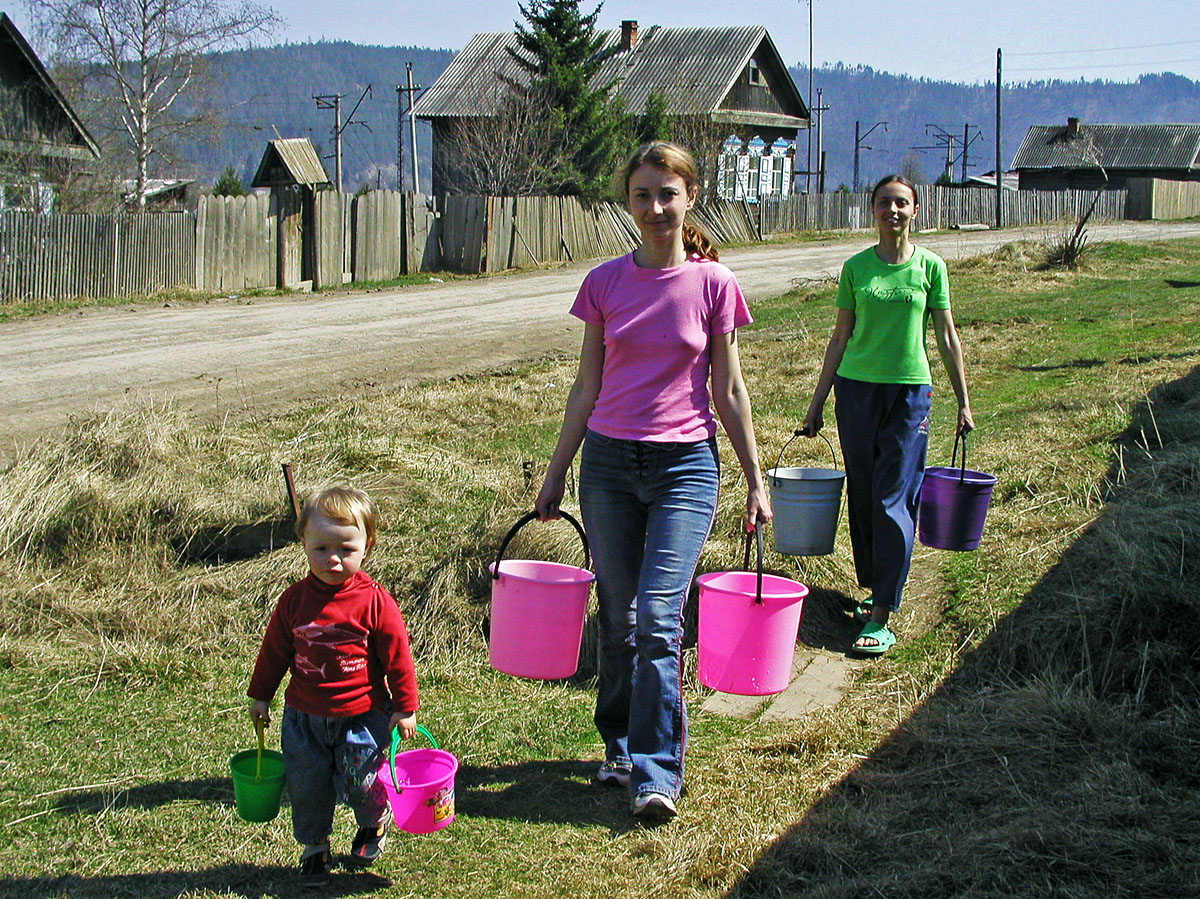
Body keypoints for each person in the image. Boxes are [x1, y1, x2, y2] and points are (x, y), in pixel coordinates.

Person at [534, 141, 772, 822]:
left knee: (658, 619)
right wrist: (555, 475)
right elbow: (586, 386)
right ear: (628, 202)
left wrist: (755, 480)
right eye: (643, 194)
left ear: (690, 196)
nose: (656, 206)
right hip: (607, 465)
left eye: (668, 193)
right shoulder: (604, 284)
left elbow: (728, 388)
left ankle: (656, 770)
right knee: (617, 617)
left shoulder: (714, 285)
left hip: (685, 468)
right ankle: (616, 743)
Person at [801, 174, 974, 655]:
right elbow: (838, 338)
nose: (892, 210)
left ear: (915, 210)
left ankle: (883, 613)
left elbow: (946, 337)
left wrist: (963, 400)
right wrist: (816, 403)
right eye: (884, 203)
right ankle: (874, 587)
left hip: (909, 394)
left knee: (893, 496)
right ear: (873, 210)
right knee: (863, 493)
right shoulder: (856, 268)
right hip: (854, 392)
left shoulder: (930, 267)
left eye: (901, 203)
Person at [247, 484, 419, 886]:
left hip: (362, 716)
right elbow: (274, 651)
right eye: (321, 548)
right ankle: (314, 847)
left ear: (367, 545)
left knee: (360, 781)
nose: (333, 559)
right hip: (304, 716)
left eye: (346, 549)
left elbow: (397, 658)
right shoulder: (293, 601)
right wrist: (260, 695)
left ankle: (373, 821)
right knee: (307, 784)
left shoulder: (376, 601)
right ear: (304, 542)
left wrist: (404, 707)